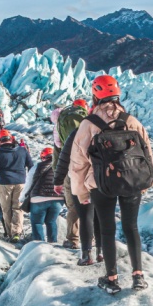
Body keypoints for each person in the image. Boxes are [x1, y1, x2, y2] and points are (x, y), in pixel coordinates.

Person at [69, 74, 153, 293]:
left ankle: (112, 278)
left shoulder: (89, 124)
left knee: (107, 230)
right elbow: (146, 153)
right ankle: (138, 277)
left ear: (95, 96)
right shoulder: (131, 120)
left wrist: (80, 193)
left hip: (100, 183)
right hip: (131, 181)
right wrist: (144, 181)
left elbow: (77, 162)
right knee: (131, 227)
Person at [54, 123, 102, 263]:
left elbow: (64, 157)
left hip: (80, 179)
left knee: (85, 214)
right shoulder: (108, 128)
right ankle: (101, 252)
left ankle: (86, 255)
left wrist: (58, 180)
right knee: (100, 215)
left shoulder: (77, 132)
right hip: (101, 179)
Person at [52, 98, 90, 247]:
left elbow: (58, 151)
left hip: (69, 169)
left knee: (73, 206)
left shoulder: (61, 124)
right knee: (91, 203)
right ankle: (92, 239)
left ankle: (73, 239)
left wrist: (57, 176)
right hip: (88, 167)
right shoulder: (90, 121)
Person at [0, 129, 33, 242]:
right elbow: (31, 167)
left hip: (4, 183)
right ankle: (16, 233)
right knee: (18, 208)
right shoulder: (22, 150)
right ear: (11, 138)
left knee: (6, 209)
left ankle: (9, 233)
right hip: (21, 182)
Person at [23, 147, 65, 242]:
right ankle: (53, 244)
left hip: (38, 198)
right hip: (57, 198)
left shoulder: (36, 167)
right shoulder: (61, 166)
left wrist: (22, 198)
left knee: (37, 222)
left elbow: (28, 183)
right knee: (51, 221)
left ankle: (39, 245)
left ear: (43, 157)